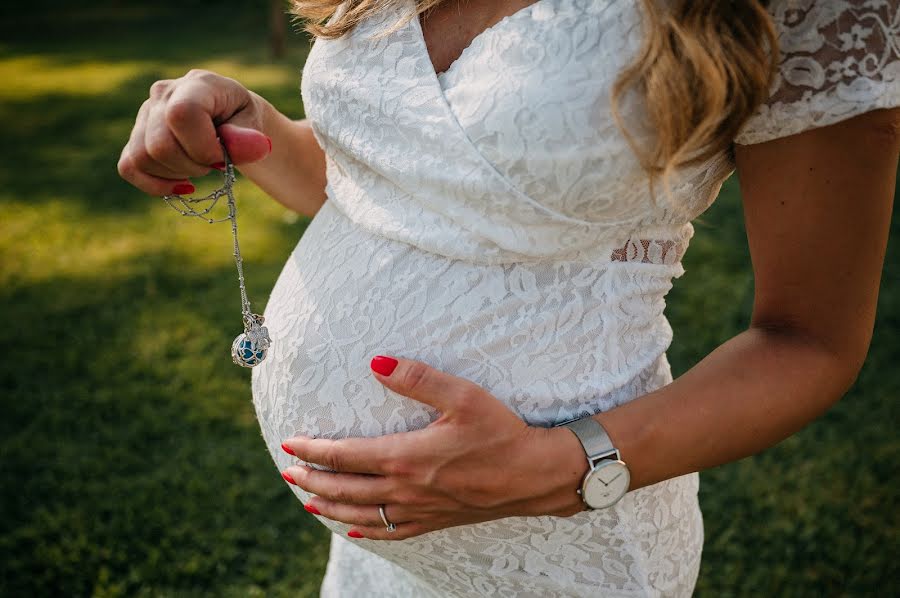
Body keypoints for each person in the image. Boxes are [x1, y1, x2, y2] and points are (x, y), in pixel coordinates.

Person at [117, 0, 900, 595]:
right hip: (373, 553)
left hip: (563, 545)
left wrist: (565, 466)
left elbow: (810, 339)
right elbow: (397, 179)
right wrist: (251, 124)